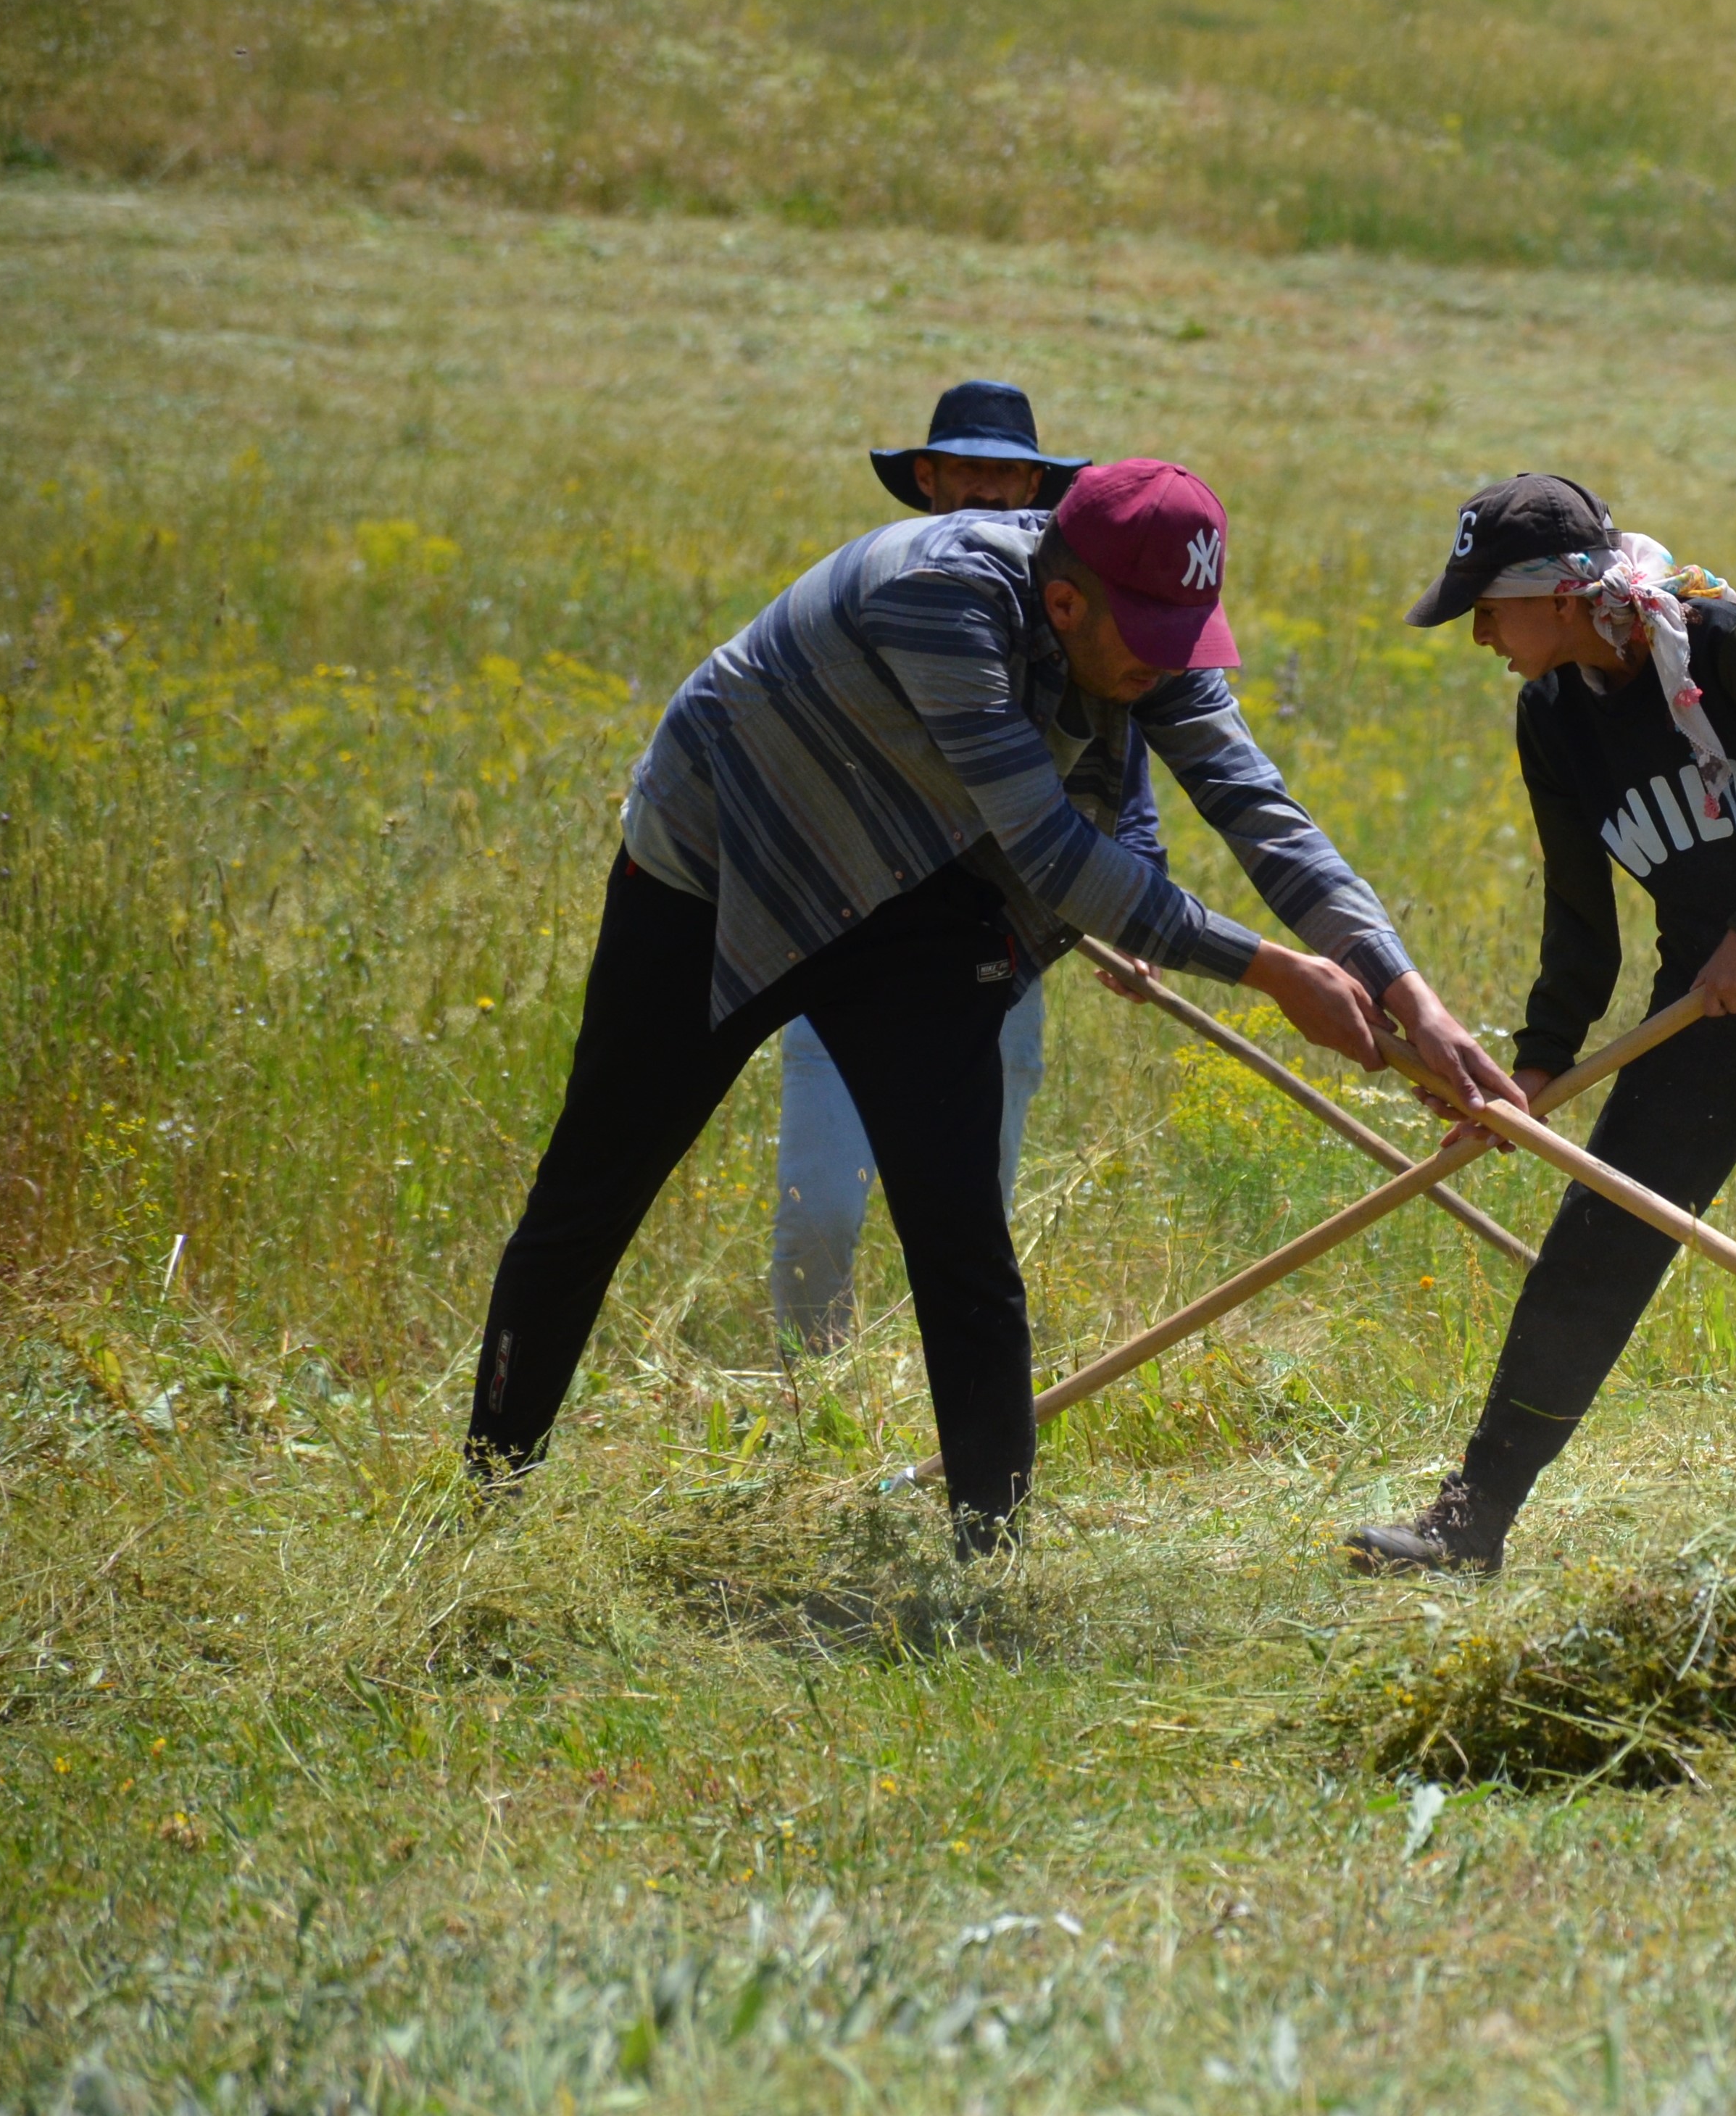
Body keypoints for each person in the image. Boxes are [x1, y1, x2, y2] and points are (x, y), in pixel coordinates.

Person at [465, 455, 1517, 1549]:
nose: (1168, 669)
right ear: (1064, 602)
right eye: (1148, 641)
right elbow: (1055, 854)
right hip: (725, 867)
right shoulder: (938, 595)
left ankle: (992, 1556)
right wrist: (1270, 971)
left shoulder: (1149, 638)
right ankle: (483, 1508)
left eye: (1184, 640)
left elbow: (1257, 806)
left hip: (912, 889)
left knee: (960, 1232)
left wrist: (1411, 993)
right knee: (593, 1194)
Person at [1341, 474, 1736, 1574]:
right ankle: (1473, 1520)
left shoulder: (1722, 647)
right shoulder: (1553, 717)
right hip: (1696, 1014)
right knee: (1597, 1246)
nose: (1480, 637)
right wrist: (1532, 1067)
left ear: (1562, 599)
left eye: (1489, 610)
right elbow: (1581, 911)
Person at [769, 379, 1163, 1350]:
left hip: (1000, 949)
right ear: (931, 480)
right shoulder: (884, 596)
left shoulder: (1075, 616)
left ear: (1036, 483)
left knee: (971, 1213)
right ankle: (811, 1390)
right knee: (821, 1202)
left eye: (1010, 472)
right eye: (969, 470)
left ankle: (939, 1392)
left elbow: (1123, 771)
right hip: (849, 940)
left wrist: (1135, 899)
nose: (990, 489)